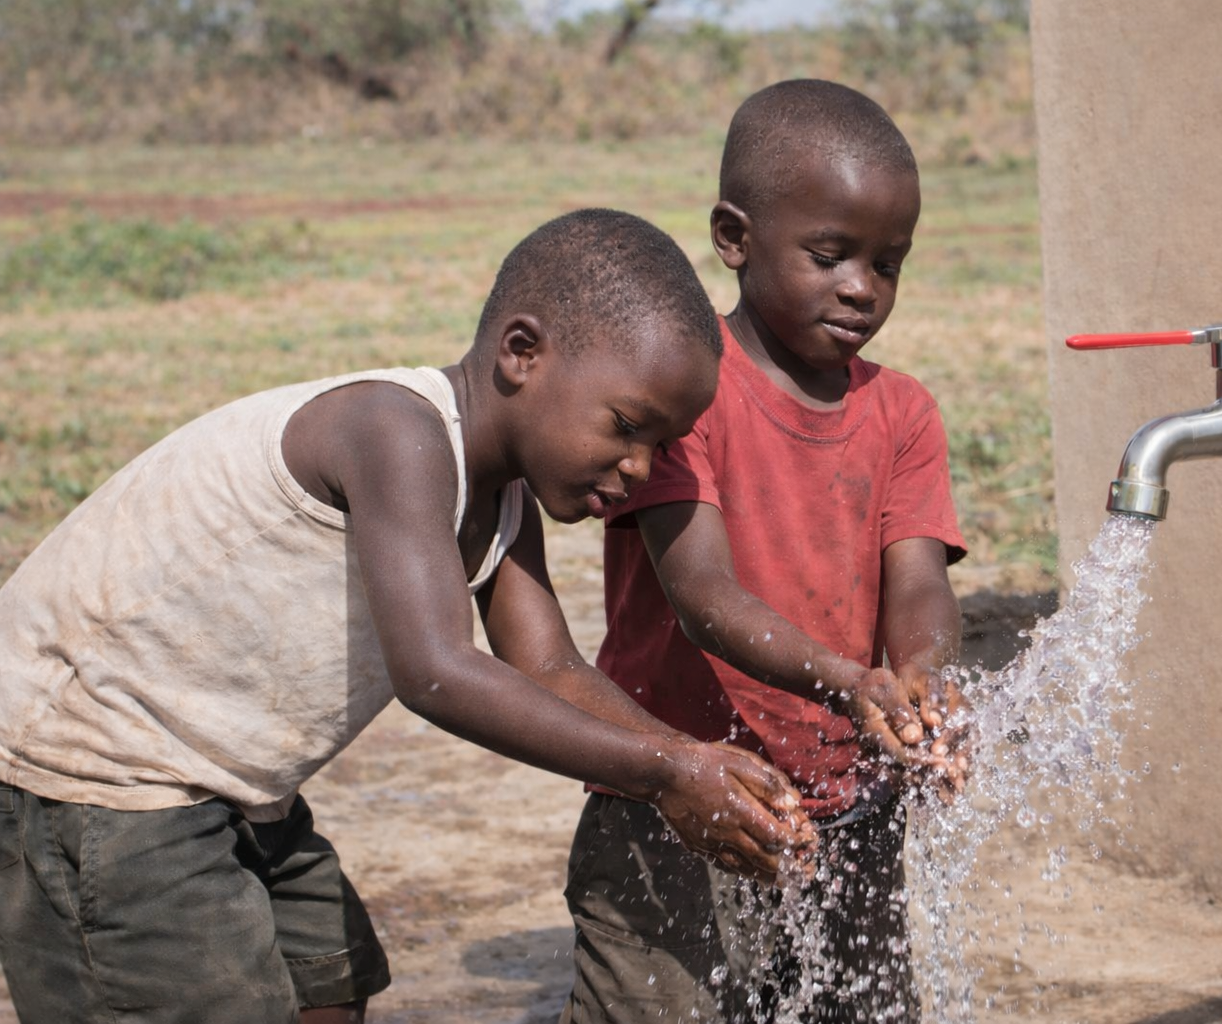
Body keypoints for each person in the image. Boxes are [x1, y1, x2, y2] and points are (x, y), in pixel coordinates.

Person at [0, 208, 814, 1024]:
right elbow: (436, 673)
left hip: (227, 782)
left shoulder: (502, 499)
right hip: (96, 774)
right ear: (521, 354)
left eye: (662, 445)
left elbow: (551, 669)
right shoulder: (393, 431)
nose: (639, 467)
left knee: (332, 980)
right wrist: (666, 775)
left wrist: (697, 761)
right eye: (627, 426)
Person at [561, 82, 968, 1024]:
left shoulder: (902, 411)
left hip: (846, 797)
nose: (862, 287)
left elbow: (920, 582)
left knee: (859, 1010)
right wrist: (846, 677)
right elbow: (701, 591)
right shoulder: (684, 391)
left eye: (889, 264)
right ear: (735, 237)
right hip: (674, 794)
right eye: (829, 256)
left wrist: (920, 684)